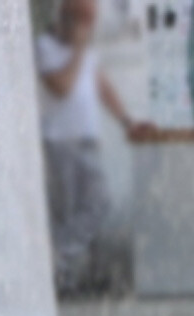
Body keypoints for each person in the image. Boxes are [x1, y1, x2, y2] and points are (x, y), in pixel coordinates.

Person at [36, 0, 153, 296]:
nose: (87, 31)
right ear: (67, 21)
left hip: (86, 141)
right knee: (71, 209)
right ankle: (60, 271)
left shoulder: (85, 53)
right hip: (60, 141)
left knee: (97, 202)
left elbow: (102, 87)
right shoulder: (46, 47)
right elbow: (61, 87)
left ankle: (59, 260)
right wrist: (76, 50)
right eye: (83, 23)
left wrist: (127, 121)